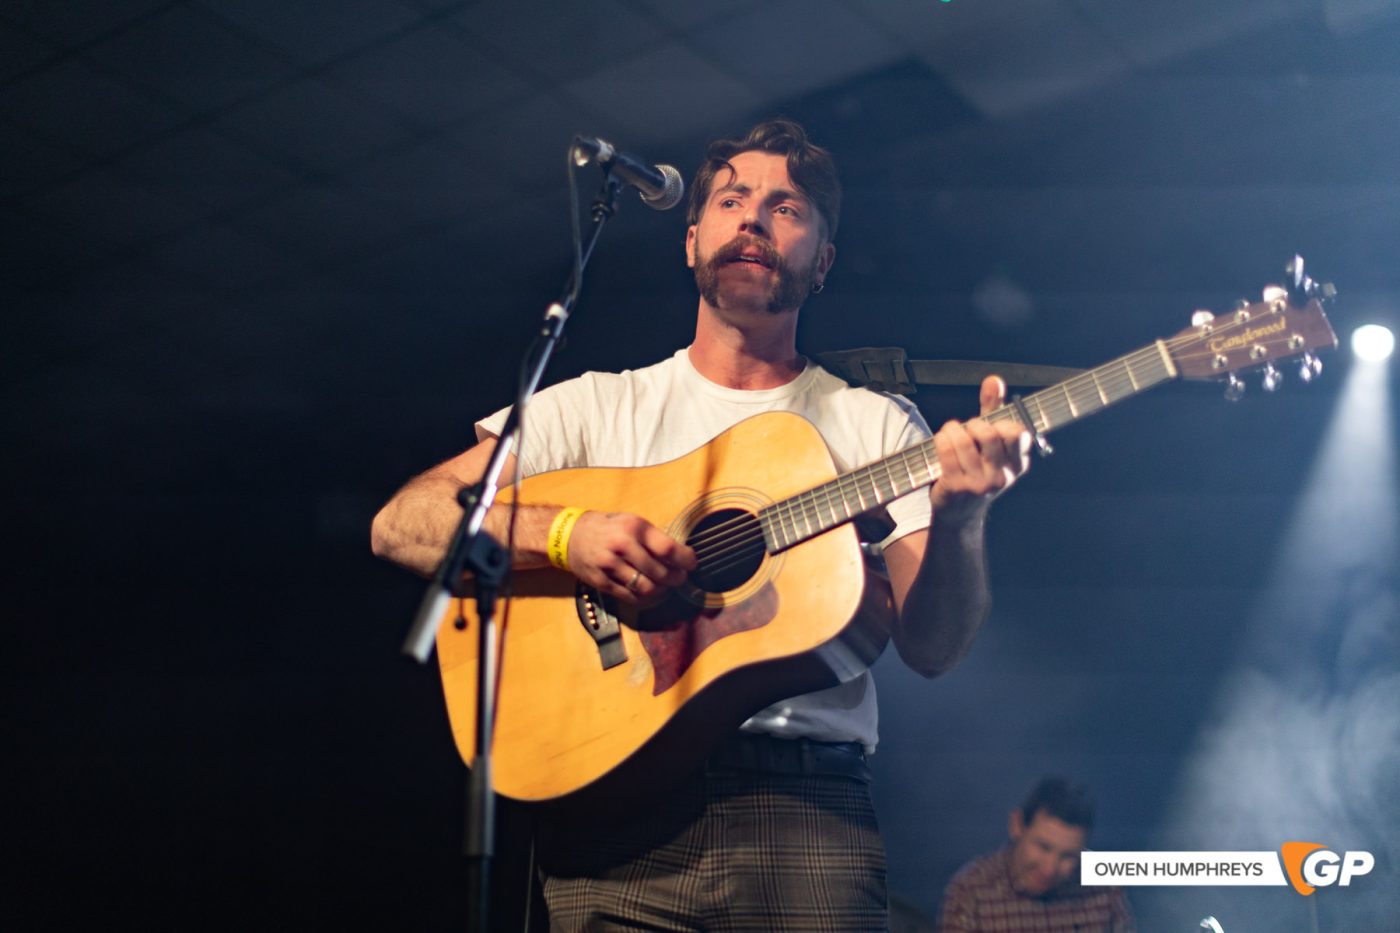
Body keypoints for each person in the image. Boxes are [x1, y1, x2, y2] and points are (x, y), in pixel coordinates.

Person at [371, 118, 1031, 931]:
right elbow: (404, 521)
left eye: (786, 208)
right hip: (608, 801)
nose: (754, 219)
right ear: (692, 241)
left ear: (821, 263)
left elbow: (933, 648)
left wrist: (962, 518)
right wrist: (565, 532)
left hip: (800, 812)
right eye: (733, 200)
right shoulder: (594, 405)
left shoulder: (875, 425)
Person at [936, 776, 1136, 932]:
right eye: (1043, 847)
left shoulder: (1103, 888)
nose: (1050, 869)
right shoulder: (972, 890)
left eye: (1068, 856)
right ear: (1017, 825)